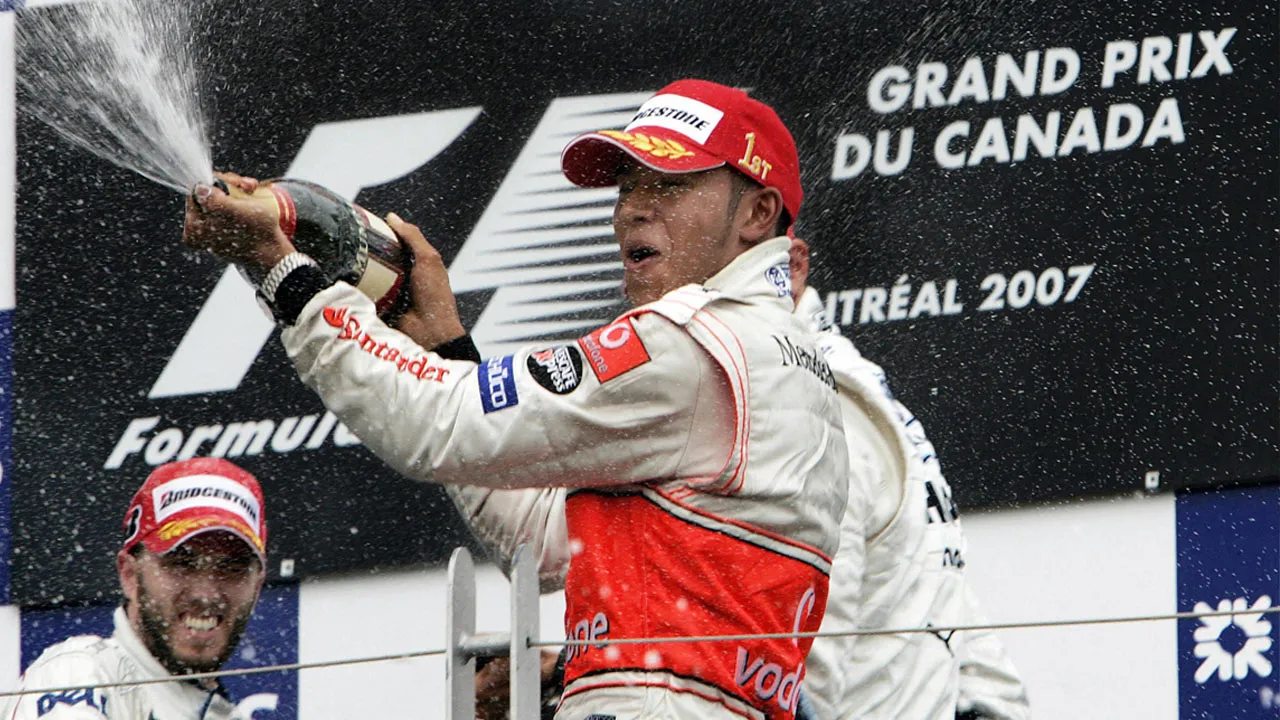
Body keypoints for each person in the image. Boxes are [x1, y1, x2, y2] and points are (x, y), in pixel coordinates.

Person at [182, 79, 850, 720]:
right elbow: (540, 540)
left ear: (759, 214)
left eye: (669, 184)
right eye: (627, 186)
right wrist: (446, 347)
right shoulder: (783, 361)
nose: (632, 209)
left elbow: (434, 425)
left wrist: (283, 275)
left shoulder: (697, 345)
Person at [788, 238, 1031, 720]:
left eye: (680, 200)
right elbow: (988, 681)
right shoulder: (860, 385)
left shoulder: (808, 396)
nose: (632, 214)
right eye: (632, 192)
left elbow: (799, 681)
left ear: (792, 265)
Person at [2, 458, 269, 720]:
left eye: (230, 567)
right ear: (129, 574)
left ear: (256, 587)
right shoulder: (81, 673)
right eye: (182, 563)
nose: (205, 594)